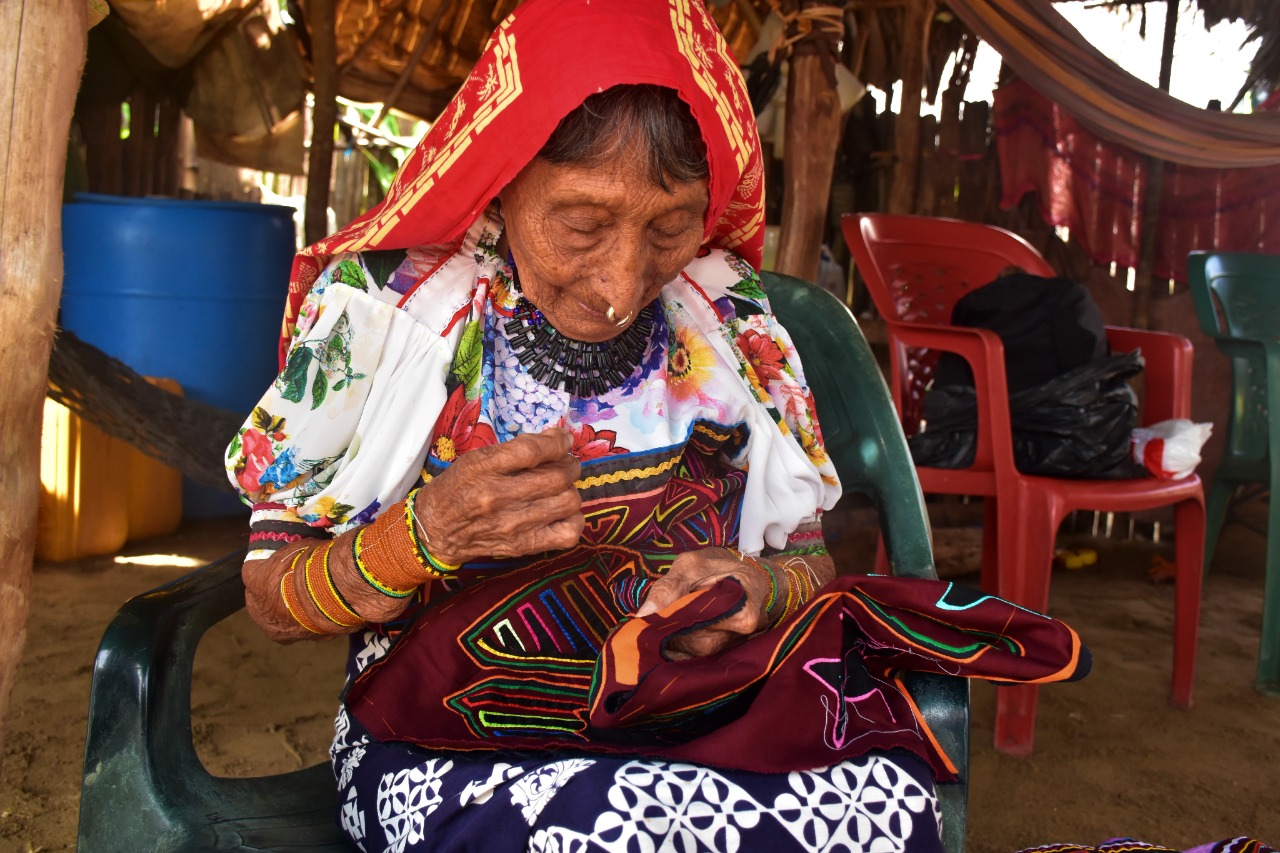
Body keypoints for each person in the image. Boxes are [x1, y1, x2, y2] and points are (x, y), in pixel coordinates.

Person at [226, 1, 1087, 850]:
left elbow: (807, 562)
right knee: (596, 834)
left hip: (694, 710)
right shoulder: (386, 320)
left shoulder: (733, 320)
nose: (622, 282)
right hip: (450, 735)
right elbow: (270, 597)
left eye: (670, 226)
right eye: (583, 223)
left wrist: (755, 590)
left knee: (884, 808)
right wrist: (419, 539)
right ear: (499, 181)